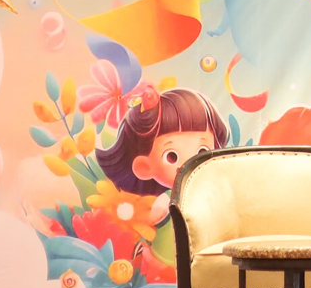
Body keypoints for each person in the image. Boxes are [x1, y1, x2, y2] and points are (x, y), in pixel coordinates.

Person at [95, 86, 230, 227]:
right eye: (171, 156)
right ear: (144, 167)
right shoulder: (165, 201)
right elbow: (154, 220)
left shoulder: (214, 191)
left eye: (203, 151)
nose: (191, 162)